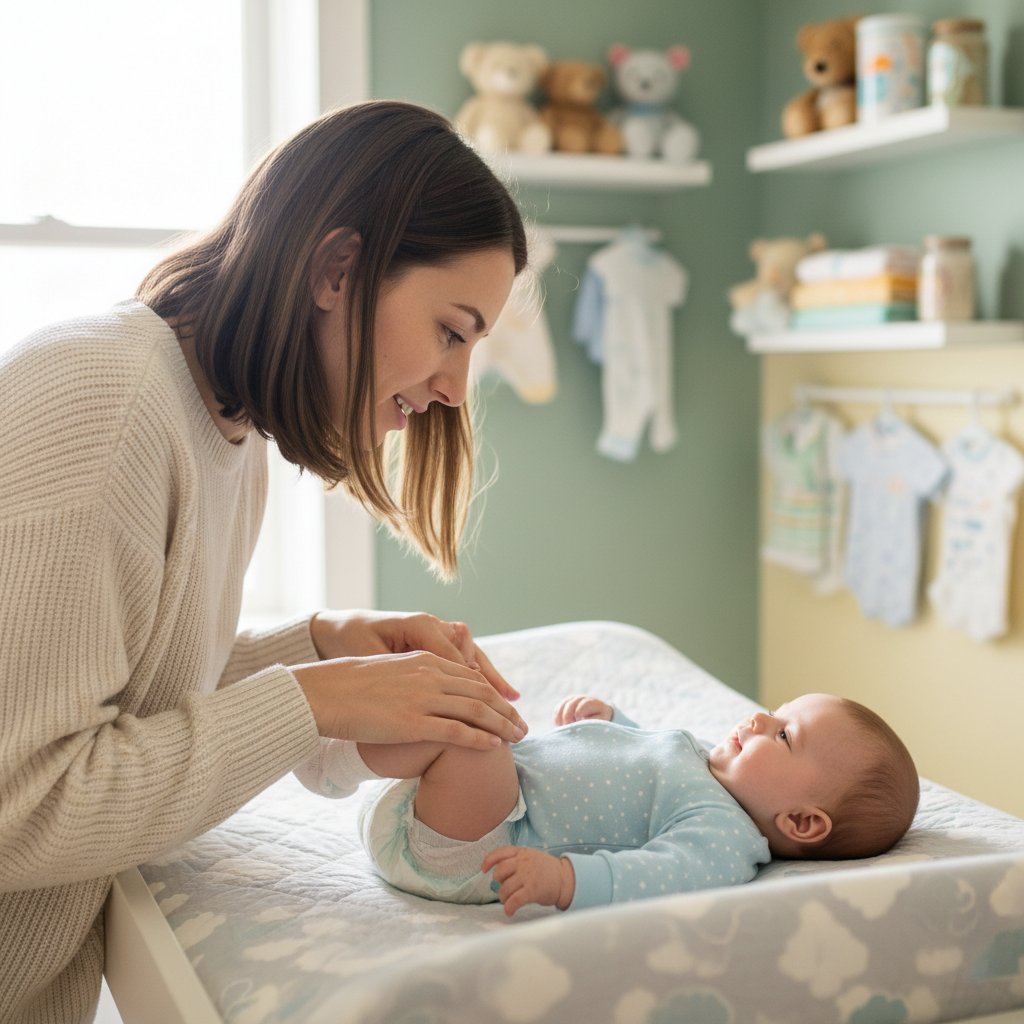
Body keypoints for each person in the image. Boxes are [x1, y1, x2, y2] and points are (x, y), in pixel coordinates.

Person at [0, 101, 534, 1023]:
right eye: (452, 331)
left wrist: (317, 649)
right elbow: (24, 803)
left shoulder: (222, 425)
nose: (453, 390)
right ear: (337, 269)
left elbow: (121, 691)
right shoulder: (104, 400)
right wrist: (315, 700)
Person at [352, 692, 919, 916]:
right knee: (461, 707)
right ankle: (343, 744)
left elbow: (658, 875)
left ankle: (336, 749)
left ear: (800, 820)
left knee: (475, 728)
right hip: (456, 805)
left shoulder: (725, 836)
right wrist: (611, 724)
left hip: (482, 843)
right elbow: (644, 760)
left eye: (785, 736)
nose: (760, 718)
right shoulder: (708, 765)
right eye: (776, 708)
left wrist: (564, 880)